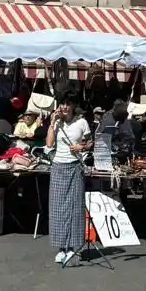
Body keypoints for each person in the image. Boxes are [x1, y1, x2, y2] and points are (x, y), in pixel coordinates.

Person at [46, 93, 91, 268]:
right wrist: (51, 123)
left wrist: (81, 146)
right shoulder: (56, 123)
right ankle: (61, 248)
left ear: (73, 106)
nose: (64, 107)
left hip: (74, 166)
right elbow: (49, 144)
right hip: (58, 166)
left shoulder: (82, 122)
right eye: (62, 104)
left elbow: (89, 142)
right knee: (57, 207)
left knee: (75, 207)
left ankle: (73, 247)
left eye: (67, 104)